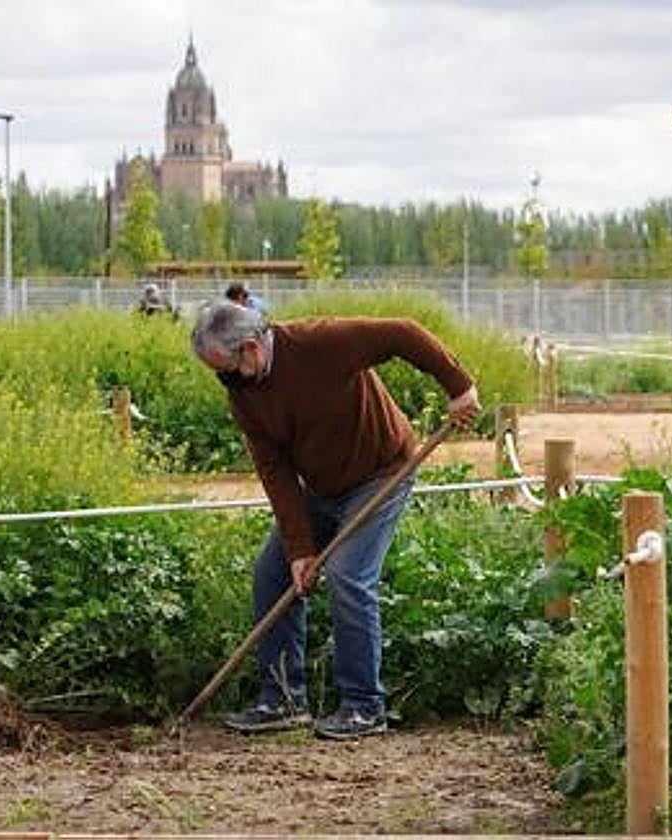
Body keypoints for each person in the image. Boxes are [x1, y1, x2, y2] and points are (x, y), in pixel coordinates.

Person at [189, 301, 480, 738]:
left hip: (382, 471)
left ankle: (364, 706)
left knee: (348, 575)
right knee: (273, 575)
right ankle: (284, 699)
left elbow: (402, 331)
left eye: (227, 370)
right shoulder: (244, 396)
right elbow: (275, 470)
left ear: (251, 348)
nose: (226, 382)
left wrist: (458, 387)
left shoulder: (320, 343)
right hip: (322, 488)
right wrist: (301, 550)